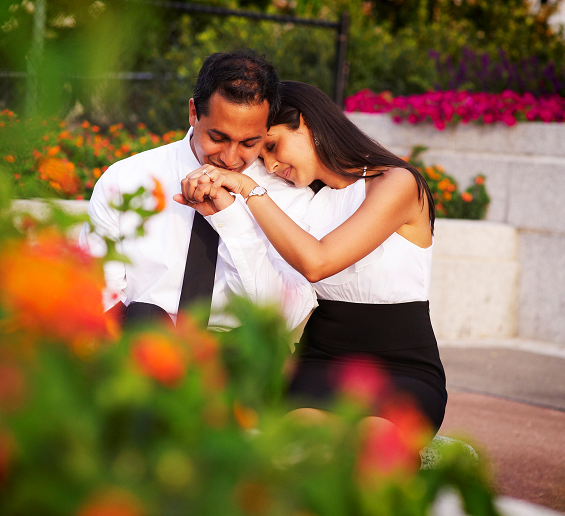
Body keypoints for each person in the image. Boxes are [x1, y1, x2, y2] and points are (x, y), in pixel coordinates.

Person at [176, 80, 446, 437]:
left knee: (371, 443)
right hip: (320, 364)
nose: (269, 167)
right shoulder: (302, 202)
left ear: (306, 122)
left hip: (400, 368)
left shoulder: (396, 183)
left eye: (272, 146)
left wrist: (248, 189)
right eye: (263, 156)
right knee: (295, 441)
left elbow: (317, 262)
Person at [78, 51, 316, 332]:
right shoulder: (126, 179)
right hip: (143, 351)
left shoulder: (286, 198)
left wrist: (232, 217)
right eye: (218, 138)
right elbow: (99, 293)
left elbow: (281, 319)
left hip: (235, 357)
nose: (230, 158)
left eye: (249, 143)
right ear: (193, 113)